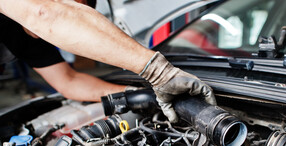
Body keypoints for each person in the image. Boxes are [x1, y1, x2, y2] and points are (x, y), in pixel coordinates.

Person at [0, 0, 216, 123]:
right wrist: (161, 74)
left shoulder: (33, 39)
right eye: (70, 11)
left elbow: (69, 81)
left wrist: (138, 94)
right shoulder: (32, 13)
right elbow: (45, 13)